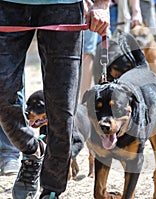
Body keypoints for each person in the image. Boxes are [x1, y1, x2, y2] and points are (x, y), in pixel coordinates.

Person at [0, 1, 109, 199]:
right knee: (2, 94)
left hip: (63, 6)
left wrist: (101, 4)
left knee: (62, 105)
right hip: (7, 6)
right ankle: (32, 150)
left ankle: (52, 190)